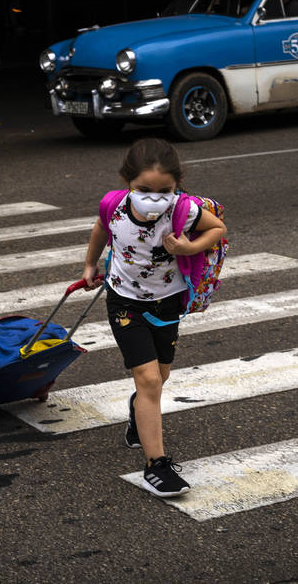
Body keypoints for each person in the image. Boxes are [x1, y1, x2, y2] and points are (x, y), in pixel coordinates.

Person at [80, 138, 226, 498]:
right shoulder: (113, 205)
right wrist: (89, 264)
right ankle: (156, 466)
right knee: (148, 380)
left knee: (159, 377)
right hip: (124, 303)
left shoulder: (184, 209)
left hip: (166, 304)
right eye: (144, 190)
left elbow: (216, 229)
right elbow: (102, 228)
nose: (153, 198)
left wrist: (189, 247)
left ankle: (136, 411)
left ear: (176, 186)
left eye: (164, 191)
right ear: (126, 181)